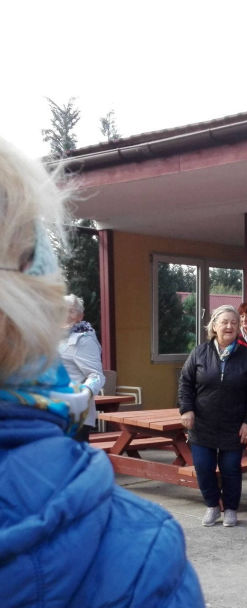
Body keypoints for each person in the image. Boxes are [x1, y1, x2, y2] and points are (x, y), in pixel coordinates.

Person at [0, 137, 204, 606]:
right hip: (49, 413)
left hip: (67, 410)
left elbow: (94, 374)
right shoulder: (142, 550)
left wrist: (85, 391)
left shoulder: (83, 338)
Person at [179, 304, 247, 528]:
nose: (229, 326)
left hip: (234, 425)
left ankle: (231, 508)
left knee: (230, 469)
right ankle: (212, 506)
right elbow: (185, 383)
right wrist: (186, 409)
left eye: (234, 323)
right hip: (202, 424)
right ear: (214, 326)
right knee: (203, 468)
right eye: (224, 322)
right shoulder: (199, 352)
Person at [59, 293, 105, 441]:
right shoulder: (54, 339)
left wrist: (84, 394)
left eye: (71, 311)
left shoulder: (83, 340)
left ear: (80, 317)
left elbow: (96, 375)